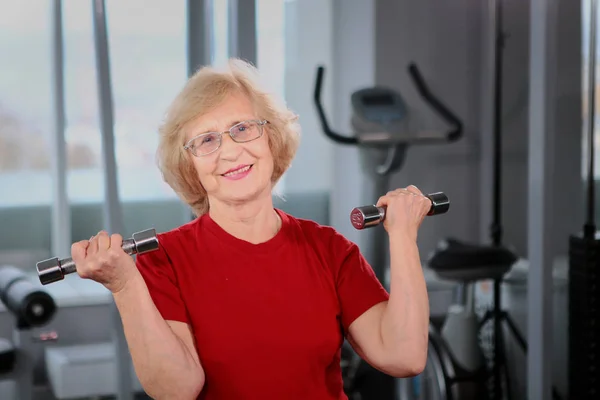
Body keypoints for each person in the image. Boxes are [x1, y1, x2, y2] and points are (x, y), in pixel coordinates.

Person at [71, 59, 431, 400]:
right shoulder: (163, 260)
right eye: (207, 140)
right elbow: (176, 390)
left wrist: (403, 235)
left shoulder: (329, 248)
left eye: (242, 129)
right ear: (189, 166)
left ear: (271, 140)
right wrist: (124, 285)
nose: (229, 152)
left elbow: (404, 355)